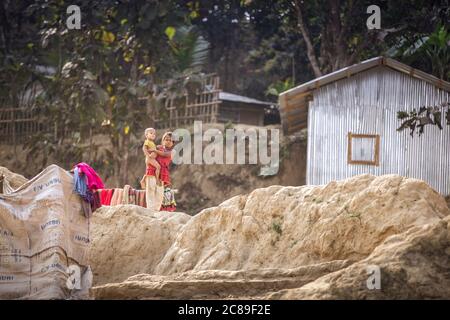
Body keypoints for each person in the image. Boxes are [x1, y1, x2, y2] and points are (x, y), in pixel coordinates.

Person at [142, 131, 173, 211]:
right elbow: (148, 157)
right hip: (152, 171)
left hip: (162, 174)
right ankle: (150, 210)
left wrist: (155, 151)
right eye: (166, 139)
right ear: (163, 140)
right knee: (151, 190)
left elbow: (165, 154)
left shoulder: (172, 152)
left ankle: (156, 210)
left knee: (159, 193)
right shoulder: (157, 147)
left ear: (173, 143)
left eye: (170, 140)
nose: (168, 141)